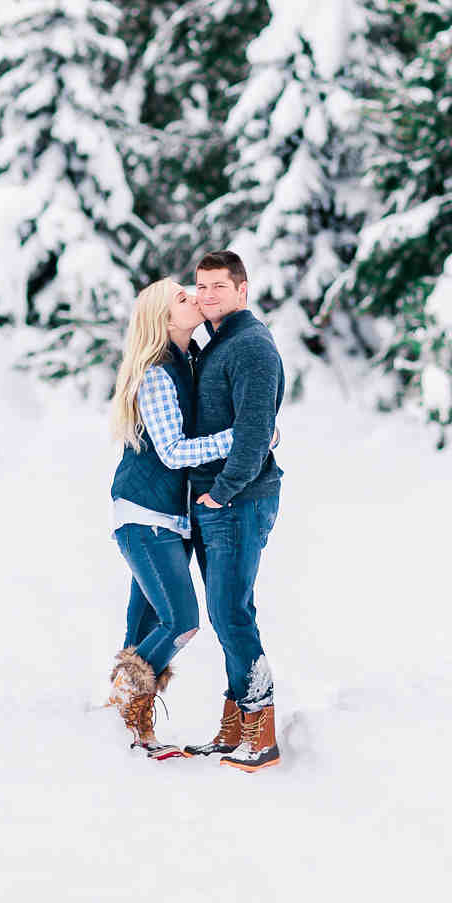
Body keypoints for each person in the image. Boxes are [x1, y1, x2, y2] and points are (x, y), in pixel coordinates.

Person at [106, 278, 235, 761]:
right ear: (164, 319)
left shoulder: (185, 361)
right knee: (180, 621)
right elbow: (174, 450)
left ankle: (122, 733)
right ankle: (127, 706)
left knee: (139, 632)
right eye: (182, 298)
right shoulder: (158, 373)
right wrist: (242, 439)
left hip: (163, 518)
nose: (194, 298)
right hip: (146, 517)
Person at [182, 250, 285, 773]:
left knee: (230, 611)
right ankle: (233, 726)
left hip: (239, 499)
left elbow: (253, 431)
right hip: (216, 500)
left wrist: (223, 491)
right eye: (201, 287)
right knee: (227, 612)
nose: (206, 296)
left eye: (218, 287)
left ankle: (260, 728)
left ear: (242, 290)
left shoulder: (250, 346)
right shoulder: (217, 342)